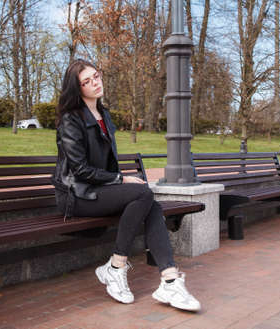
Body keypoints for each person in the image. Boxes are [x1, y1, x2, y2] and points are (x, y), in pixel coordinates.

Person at [52, 59, 201, 312]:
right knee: (143, 192)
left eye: (96, 76)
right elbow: (80, 170)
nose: (95, 83)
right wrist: (121, 180)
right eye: (86, 82)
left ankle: (169, 279)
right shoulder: (71, 120)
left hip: (97, 191)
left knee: (149, 202)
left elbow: (107, 164)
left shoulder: (103, 115)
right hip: (75, 195)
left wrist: (119, 183)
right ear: (78, 89)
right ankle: (117, 266)